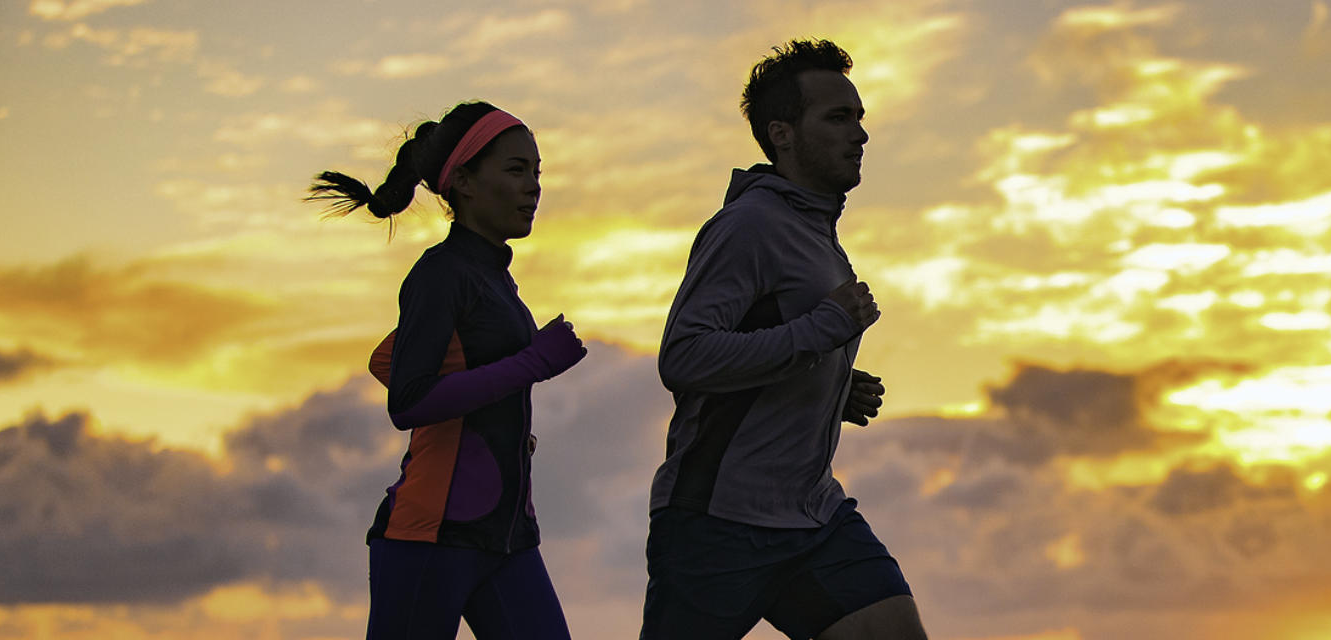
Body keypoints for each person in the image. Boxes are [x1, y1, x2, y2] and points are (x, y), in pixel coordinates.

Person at [641, 39, 927, 640]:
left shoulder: (814, 230)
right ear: (783, 134)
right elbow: (685, 356)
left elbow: (770, 344)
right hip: (718, 522)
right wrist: (822, 330)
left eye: (860, 117)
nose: (860, 134)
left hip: (812, 514)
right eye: (837, 117)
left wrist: (833, 386)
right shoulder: (750, 226)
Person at [308, 101, 588, 640]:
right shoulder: (441, 273)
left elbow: (388, 359)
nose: (533, 187)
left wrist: (497, 426)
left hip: (507, 539)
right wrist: (531, 362)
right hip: (429, 538)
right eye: (515, 170)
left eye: (537, 172)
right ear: (462, 180)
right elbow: (408, 400)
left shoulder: (494, 278)